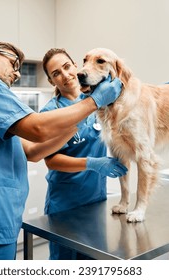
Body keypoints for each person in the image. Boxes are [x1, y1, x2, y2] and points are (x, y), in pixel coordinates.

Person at [0, 42, 123, 260]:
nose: (17, 73)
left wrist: (83, 112)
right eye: (13, 63)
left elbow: (31, 150)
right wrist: (94, 103)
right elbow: (37, 128)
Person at [40, 48, 128, 259]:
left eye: (67, 66)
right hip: (65, 205)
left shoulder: (100, 101)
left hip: (96, 201)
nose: (65, 75)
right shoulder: (51, 112)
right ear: (52, 81)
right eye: (56, 73)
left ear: (77, 65)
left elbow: (132, 95)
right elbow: (51, 161)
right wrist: (92, 163)